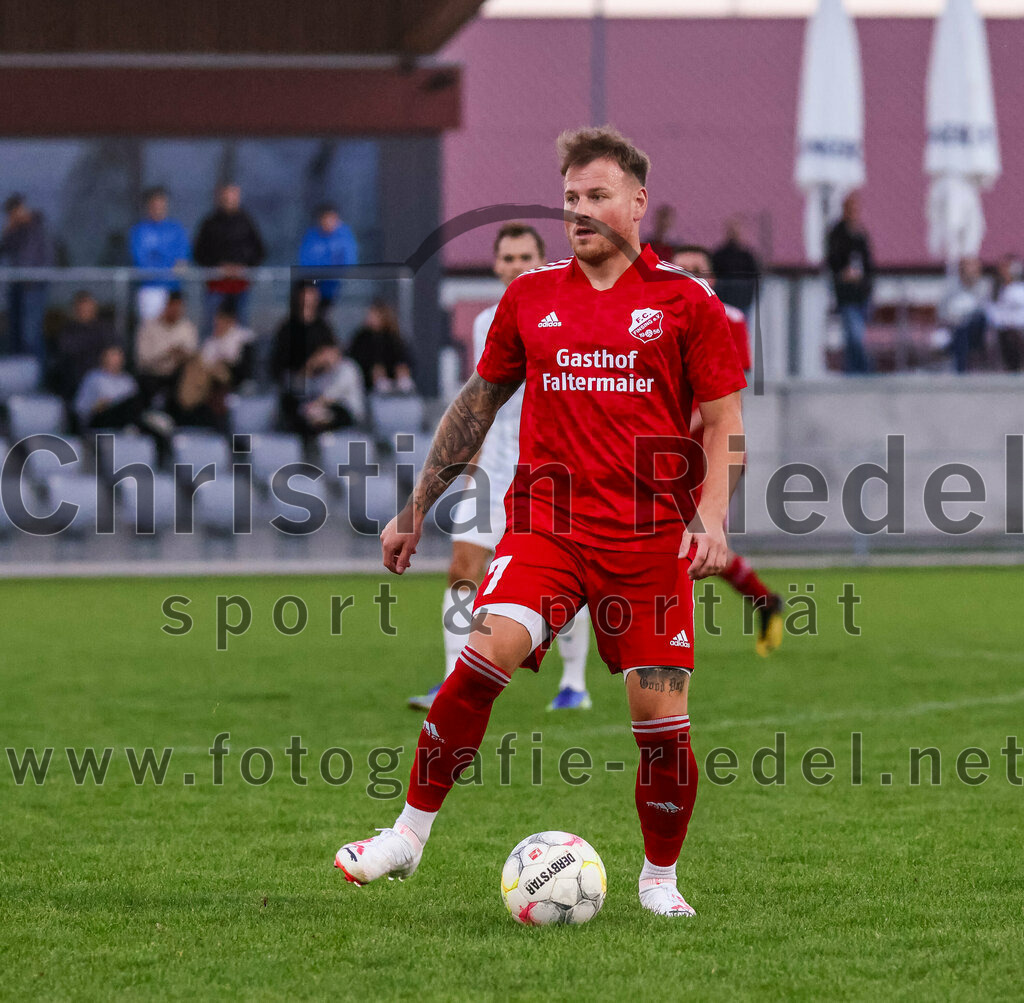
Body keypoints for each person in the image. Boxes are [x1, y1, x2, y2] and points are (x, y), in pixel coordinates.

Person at [336, 126, 747, 919]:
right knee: (482, 655)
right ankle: (407, 835)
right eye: (569, 200)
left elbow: (725, 420)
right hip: (547, 530)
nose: (581, 212)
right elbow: (476, 405)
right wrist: (418, 506)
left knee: (660, 717)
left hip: (648, 542)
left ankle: (659, 879)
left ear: (637, 202)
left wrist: (713, 519)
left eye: (597, 197)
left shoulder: (687, 303)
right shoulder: (532, 297)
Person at [407, 223, 592, 714]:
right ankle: (451, 681)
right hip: (493, 469)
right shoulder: (487, 320)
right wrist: (469, 463)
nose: (516, 266)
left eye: (525, 256)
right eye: (507, 258)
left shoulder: (567, 313)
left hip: (551, 473)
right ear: (495, 265)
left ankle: (574, 684)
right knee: (461, 569)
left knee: (565, 585)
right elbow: (483, 401)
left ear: (542, 259)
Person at [672, 245, 783, 656]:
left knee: (692, 542)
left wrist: (680, 429)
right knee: (694, 545)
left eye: (698, 269)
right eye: (680, 269)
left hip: (710, 451)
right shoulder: (653, 318)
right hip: (668, 451)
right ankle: (765, 600)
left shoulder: (729, 318)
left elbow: (727, 401)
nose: (690, 275)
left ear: (713, 278)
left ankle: (669, 637)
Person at [192, 182, 266, 330]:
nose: (229, 201)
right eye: (226, 197)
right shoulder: (210, 223)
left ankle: (242, 354)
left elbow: (260, 250)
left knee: (241, 329)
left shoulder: (247, 222)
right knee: (211, 327)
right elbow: (198, 252)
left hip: (240, 286)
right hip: (216, 286)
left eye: (233, 197)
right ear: (219, 198)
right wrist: (218, 267)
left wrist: (243, 267)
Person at [0, 194, 54, 364]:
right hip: (17, 285)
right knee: (15, 333)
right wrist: (8, 231)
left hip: (34, 286)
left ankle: (36, 375)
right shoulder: (15, 231)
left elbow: (37, 257)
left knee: (30, 333)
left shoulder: (37, 225)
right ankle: (19, 375)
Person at [826, 193, 874, 374]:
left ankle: (852, 372)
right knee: (854, 337)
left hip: (861, 293)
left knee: (856, 337)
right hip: (846, 295)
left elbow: (869, 265)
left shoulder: (860, 234)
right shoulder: (837, 234)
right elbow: (833, 261)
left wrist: (866, 283)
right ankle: (864, 372)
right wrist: (844, 273)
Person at [130, 187, 191, 321]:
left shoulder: (176, 230)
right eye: (154, 205)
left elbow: (182, 260)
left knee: (174, 332)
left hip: (173, 290)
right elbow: (140, 261)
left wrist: (162, 264)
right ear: (149, 206)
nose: (158, 208)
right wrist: (165, 269)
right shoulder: (140, 231)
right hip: (150, 290)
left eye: (161, 205)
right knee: (151, 329)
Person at [48, 291, 121, 403]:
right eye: (82, 309)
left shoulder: (105, 329)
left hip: (103, 383)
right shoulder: (67, 331)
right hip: (74, 385)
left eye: (89, 309)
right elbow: (67, 351)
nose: (85, 312)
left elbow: (114, 353)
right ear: (75, 310)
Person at [283, 344, 365, 437]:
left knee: (318, 414)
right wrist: (308, 368)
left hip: (348, 413)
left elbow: (330, 396)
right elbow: (304, 392)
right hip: (321, 411)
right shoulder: (322, 372)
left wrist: (313, 406)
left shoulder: (347, 367)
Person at [270, 282, 337, 394]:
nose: (310, 299)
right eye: (307, 294)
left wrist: (323, 358)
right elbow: (284, 364)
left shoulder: (322, 326)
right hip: (296, 379)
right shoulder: (288, 327)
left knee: (347, 370)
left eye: (313, 294)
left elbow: (333, 351)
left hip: (320, 378)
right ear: (299, 296)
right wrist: (311, 363)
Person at [134, 291, 199, 403]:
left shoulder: (188, 328)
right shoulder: (149, 327)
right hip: (152, 375)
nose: (176, 311)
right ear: (166, 306)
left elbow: (192, 354)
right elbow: (142, 359)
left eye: (179, 308)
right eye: (173, 307)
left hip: (178, 377)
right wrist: (166, 353)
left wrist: (181, 355)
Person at [298, 203, 358, 311]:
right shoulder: (312, 235)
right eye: (325, 218)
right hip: (315, 285)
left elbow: (349, 261)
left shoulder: (344, 235)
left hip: (338, 286)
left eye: (331, 218)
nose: (329, 222)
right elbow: (305, 260)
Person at [347, 301, 416, 393]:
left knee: (401, 367)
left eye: (374, 315)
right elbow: (355, 357)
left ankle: (402, 386)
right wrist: (373, 368)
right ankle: (382, 384)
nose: (369, 318)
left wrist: (400, 368)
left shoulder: (393, 336)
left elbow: (403, 356)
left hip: (392, 374)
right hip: (369, 376)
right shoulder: (362, 337)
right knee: (377, 370)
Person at [940, 256, 989, 374]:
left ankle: (961, 368)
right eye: (969, 268)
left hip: (978, 330)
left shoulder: (984, 286)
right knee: (961, 330)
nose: (973, 272)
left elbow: (985, 311)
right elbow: (942, 312)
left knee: (966, 326)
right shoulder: (951, 287)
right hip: (955, 328)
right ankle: (961, 370)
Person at [711, 215, 760, 315]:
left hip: (743, 301)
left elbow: (754, 275)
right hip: (724, 301)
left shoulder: (746, 255)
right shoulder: (719, 255)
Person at [989, 254, 1024, 372]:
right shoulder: (996, 290)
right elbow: (994, 313)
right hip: (1005, 329)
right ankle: (1012, 368)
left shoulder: (1019, 289)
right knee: (1007, 335)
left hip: (1019, 327)